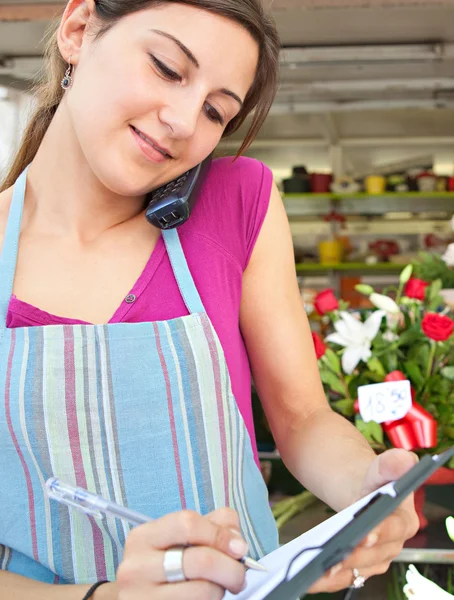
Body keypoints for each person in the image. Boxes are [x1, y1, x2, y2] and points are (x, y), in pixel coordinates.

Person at [0, 1, 419, 599]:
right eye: (167, 68)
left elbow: (301, 419)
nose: (180, 120)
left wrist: (365, 481)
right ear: (77, 28)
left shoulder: (237, 203)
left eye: (216, 111)